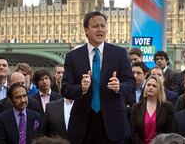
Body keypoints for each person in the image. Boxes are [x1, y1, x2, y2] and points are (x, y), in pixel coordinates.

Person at [61, 11, 135, 144]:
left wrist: (119, 87)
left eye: (103, 26)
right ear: (86, 30)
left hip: (113, 124)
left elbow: (131, 83)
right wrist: (81, 88)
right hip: (83, 125)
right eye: (95, 26)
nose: (100, 30)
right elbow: (65, 89)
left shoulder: (120, 53)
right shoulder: (73, 57)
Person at [130, 75, 174, 144]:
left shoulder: (167, 107)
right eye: (148, 85)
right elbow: (132, 132)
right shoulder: (136, 107)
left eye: (154, 86)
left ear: (159, 89)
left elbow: (170, 132)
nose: (150, 87)